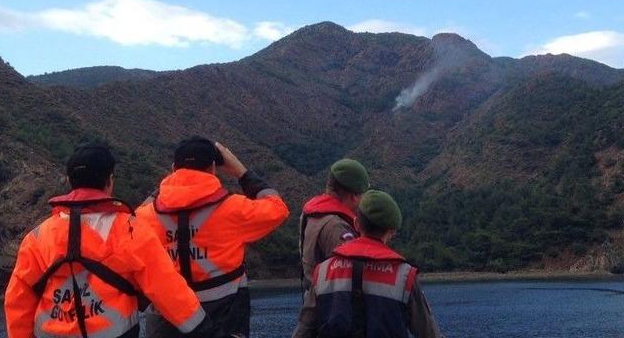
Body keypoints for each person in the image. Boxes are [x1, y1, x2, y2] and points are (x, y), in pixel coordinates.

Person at [4, 143, 224, 338]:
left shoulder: (37, 237)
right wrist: (207, 331)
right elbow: (169, 291)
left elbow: (18, 301)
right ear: (110, 181)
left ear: (70, 181)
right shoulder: (130, 230)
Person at [136, 136, 289, 338]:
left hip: (166, 323)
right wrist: (242, 173)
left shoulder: (144, 217)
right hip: (224, 320)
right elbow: (278, 208)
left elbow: (133, 219)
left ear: (174, 168)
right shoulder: (233, 209)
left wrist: (173, 184)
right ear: (213, 168)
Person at [293, 190, 443, 338]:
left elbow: (304, 329)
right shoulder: (404, 277)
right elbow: (429, 333)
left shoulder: (324, 272)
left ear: (356, 223)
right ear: (392, 232)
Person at [298, 159, 370, 292]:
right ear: (354, 195)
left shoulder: (310, 215)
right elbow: (351, 280)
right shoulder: (337, 228)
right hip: (332, 307)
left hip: (315, 302)